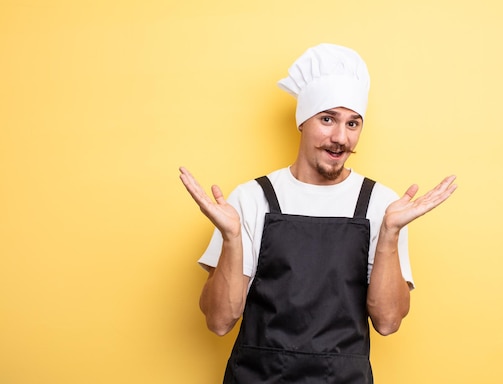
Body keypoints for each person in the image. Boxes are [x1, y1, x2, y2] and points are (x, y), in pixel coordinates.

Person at [180, 43, 457, 383]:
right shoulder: (251, 199)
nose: (340, 137)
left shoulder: (382, 205)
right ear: (302, 122)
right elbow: (219, 322)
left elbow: (387, 323)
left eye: (353, 123)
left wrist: (389, 234)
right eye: (327, 119)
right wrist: (233, 238)